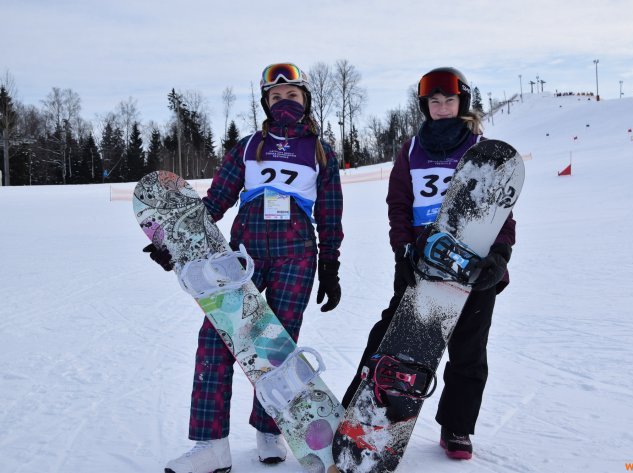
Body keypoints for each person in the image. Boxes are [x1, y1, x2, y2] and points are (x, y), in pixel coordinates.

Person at [144, 62, 344, 473]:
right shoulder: (248, 146)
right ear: (265, 103)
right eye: (276, 96)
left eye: (292, 95)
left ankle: (270, 430)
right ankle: (210, 445)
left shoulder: (320, 152)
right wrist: (176, 243)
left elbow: (330, 214)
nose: (284, 102)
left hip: (296, 255)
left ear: (305, 100)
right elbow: (215, 201)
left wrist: (330, 265)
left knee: (276, 348)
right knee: (216, 340)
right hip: (243, 254)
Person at [341, 67, 516, 461]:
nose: (442, 107)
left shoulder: (481, 150)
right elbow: (399, 205)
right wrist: (401, 250)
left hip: (473, 263)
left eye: (449, 100)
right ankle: (358, 409)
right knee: (390, 337)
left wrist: (500, 254)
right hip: (423, 262)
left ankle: (457, 426)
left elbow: (503, 210)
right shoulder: (411, 151)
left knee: (469, 349)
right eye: (434, 101)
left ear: (462, 102)